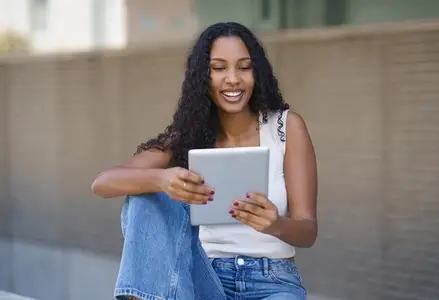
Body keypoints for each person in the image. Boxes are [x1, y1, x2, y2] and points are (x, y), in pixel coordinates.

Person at [91, 21, 318, 300]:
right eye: (219, 68)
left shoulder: (286, 128)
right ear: (203, 76)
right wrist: (161, 179)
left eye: (244, 67)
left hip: (272, 282)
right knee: (146, 195)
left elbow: (308, 230)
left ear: (257, 73)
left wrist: (276, 225)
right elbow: (102, 183)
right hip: (203, 279)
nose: (233, 79)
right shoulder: (189, 136)